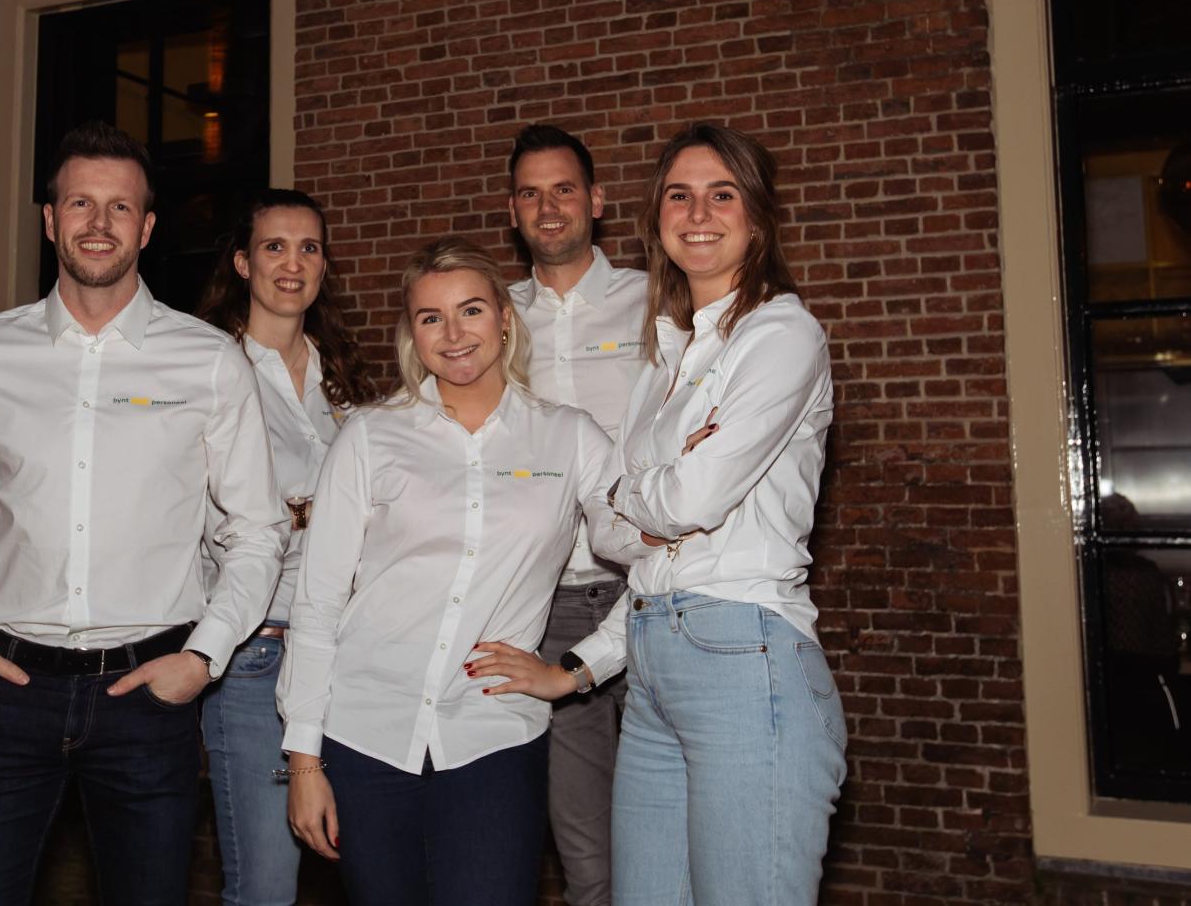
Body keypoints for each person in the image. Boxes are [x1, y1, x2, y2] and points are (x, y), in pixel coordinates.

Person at [0, 120, 288, 906]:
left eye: (120, 207)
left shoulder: (209, 362)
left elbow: (255, 532)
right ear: (50, 219)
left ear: (146, 227)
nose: (99, 222)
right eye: (81, 203)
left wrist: (202, 658)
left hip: (148, 695)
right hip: (6, 692)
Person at [473, 123, 847, 905]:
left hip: (745, 657)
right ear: (656, 215)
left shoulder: (781, 333)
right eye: (680, 195)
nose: (698, 213)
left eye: (722, 194)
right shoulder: (665, 359)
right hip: (650, 661)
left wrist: (645, 493)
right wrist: (574, 670)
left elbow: (687, 501)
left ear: (758, 215)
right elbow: (632, 543)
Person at [276, 237, 631, 906]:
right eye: (430, 317)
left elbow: (661, 562)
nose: (454, 333)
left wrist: (578, 670)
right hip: (363, 735)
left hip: (494, 737)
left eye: (471, 310)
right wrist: (303, 760)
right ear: (413, 334)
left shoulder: (570, 437)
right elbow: (318, 603)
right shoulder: (370, 436)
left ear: (505, 318)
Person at [193, 189, 380, 906]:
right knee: (267, 887)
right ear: (243, 263)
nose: (292, 263)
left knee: (368, 869)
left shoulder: (345, 376)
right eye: (274, 246)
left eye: (309, 248)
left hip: (348, 651)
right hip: (256, 652)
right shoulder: (210, 368)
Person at [506, 124, 647, 906]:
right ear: (513, 211)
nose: (548, 207)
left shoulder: (655, 302)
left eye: (564, 189)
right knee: (586, 851)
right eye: (530, 193)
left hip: (649, 594)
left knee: (672, 830)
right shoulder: (492, 318)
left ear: (596, 199)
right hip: (546, 609)